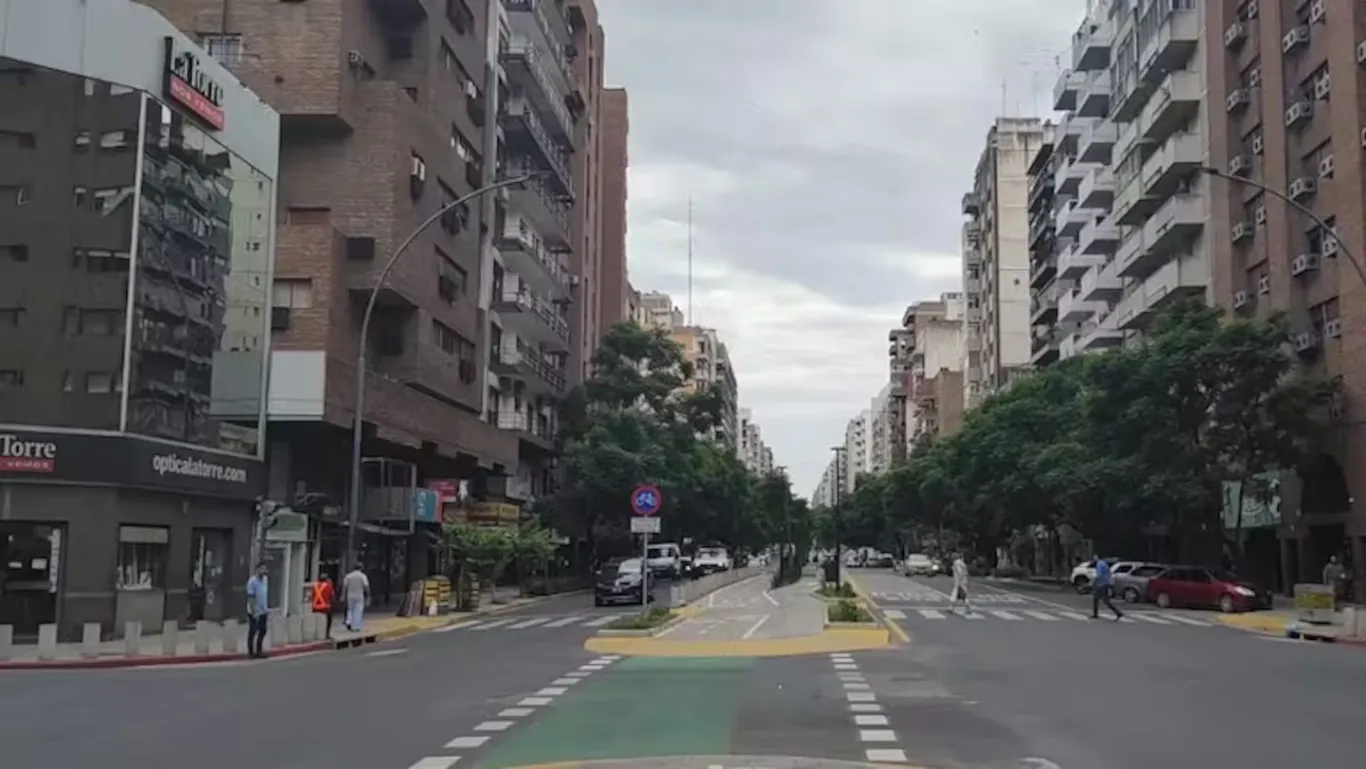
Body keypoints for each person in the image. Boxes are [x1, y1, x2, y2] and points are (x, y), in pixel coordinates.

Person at [245, 563, 270, 658]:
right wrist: (254, 612)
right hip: (254, 611)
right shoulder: (252, 582)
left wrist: (266, 608)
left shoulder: (265, 580)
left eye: (265, 569)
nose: (264, 571)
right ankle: (250, 652)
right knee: (253, 630)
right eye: (262, 569)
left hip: (263, 610)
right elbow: (251, 598)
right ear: (257, 570)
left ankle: (259, 651)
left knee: (263, 630)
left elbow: (264, 595)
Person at [1091, 557, 1124, 621]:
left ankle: (1095, 614)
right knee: (1105, 600)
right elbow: (1109, 573)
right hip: (1106, 583)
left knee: (1096, 598)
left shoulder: (1099, 564)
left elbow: (1099, 575)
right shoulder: (1104, 563)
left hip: (1101, 584)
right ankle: (1118, 613)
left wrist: (1094, 583)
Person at [342, 564, 370, 632]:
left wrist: (343, 595)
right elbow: (366, 587)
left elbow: (344, 587)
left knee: (350, 610)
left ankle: (349, 621)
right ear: (361, 568)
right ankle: (355, 626)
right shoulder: (362, 576)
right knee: (358, 611)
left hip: (350, 595)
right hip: (359, 596)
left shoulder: (348, 576)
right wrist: (368, 596)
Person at [311, 573, 336, 639]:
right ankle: (326, 634)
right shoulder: (328, 586)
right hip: (325, 608)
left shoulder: (315, 585)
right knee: (329, 619)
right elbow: (332, 597)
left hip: (314, 607)